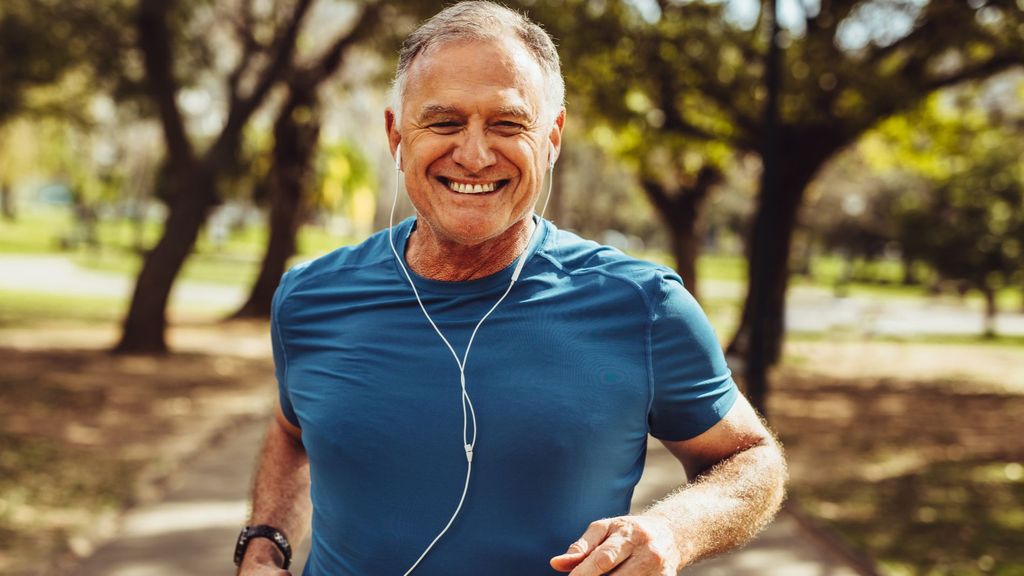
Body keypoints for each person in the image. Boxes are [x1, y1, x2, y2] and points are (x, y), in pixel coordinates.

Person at [235, 2, 786, 575]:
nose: (473, 155)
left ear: (552, 136)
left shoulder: (644, 306)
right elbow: (292, 429)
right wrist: (264, 541)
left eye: (507, 123)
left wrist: (674, 531)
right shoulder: (309, 298)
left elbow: (751, 458)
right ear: (397, 134)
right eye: (444, 122)